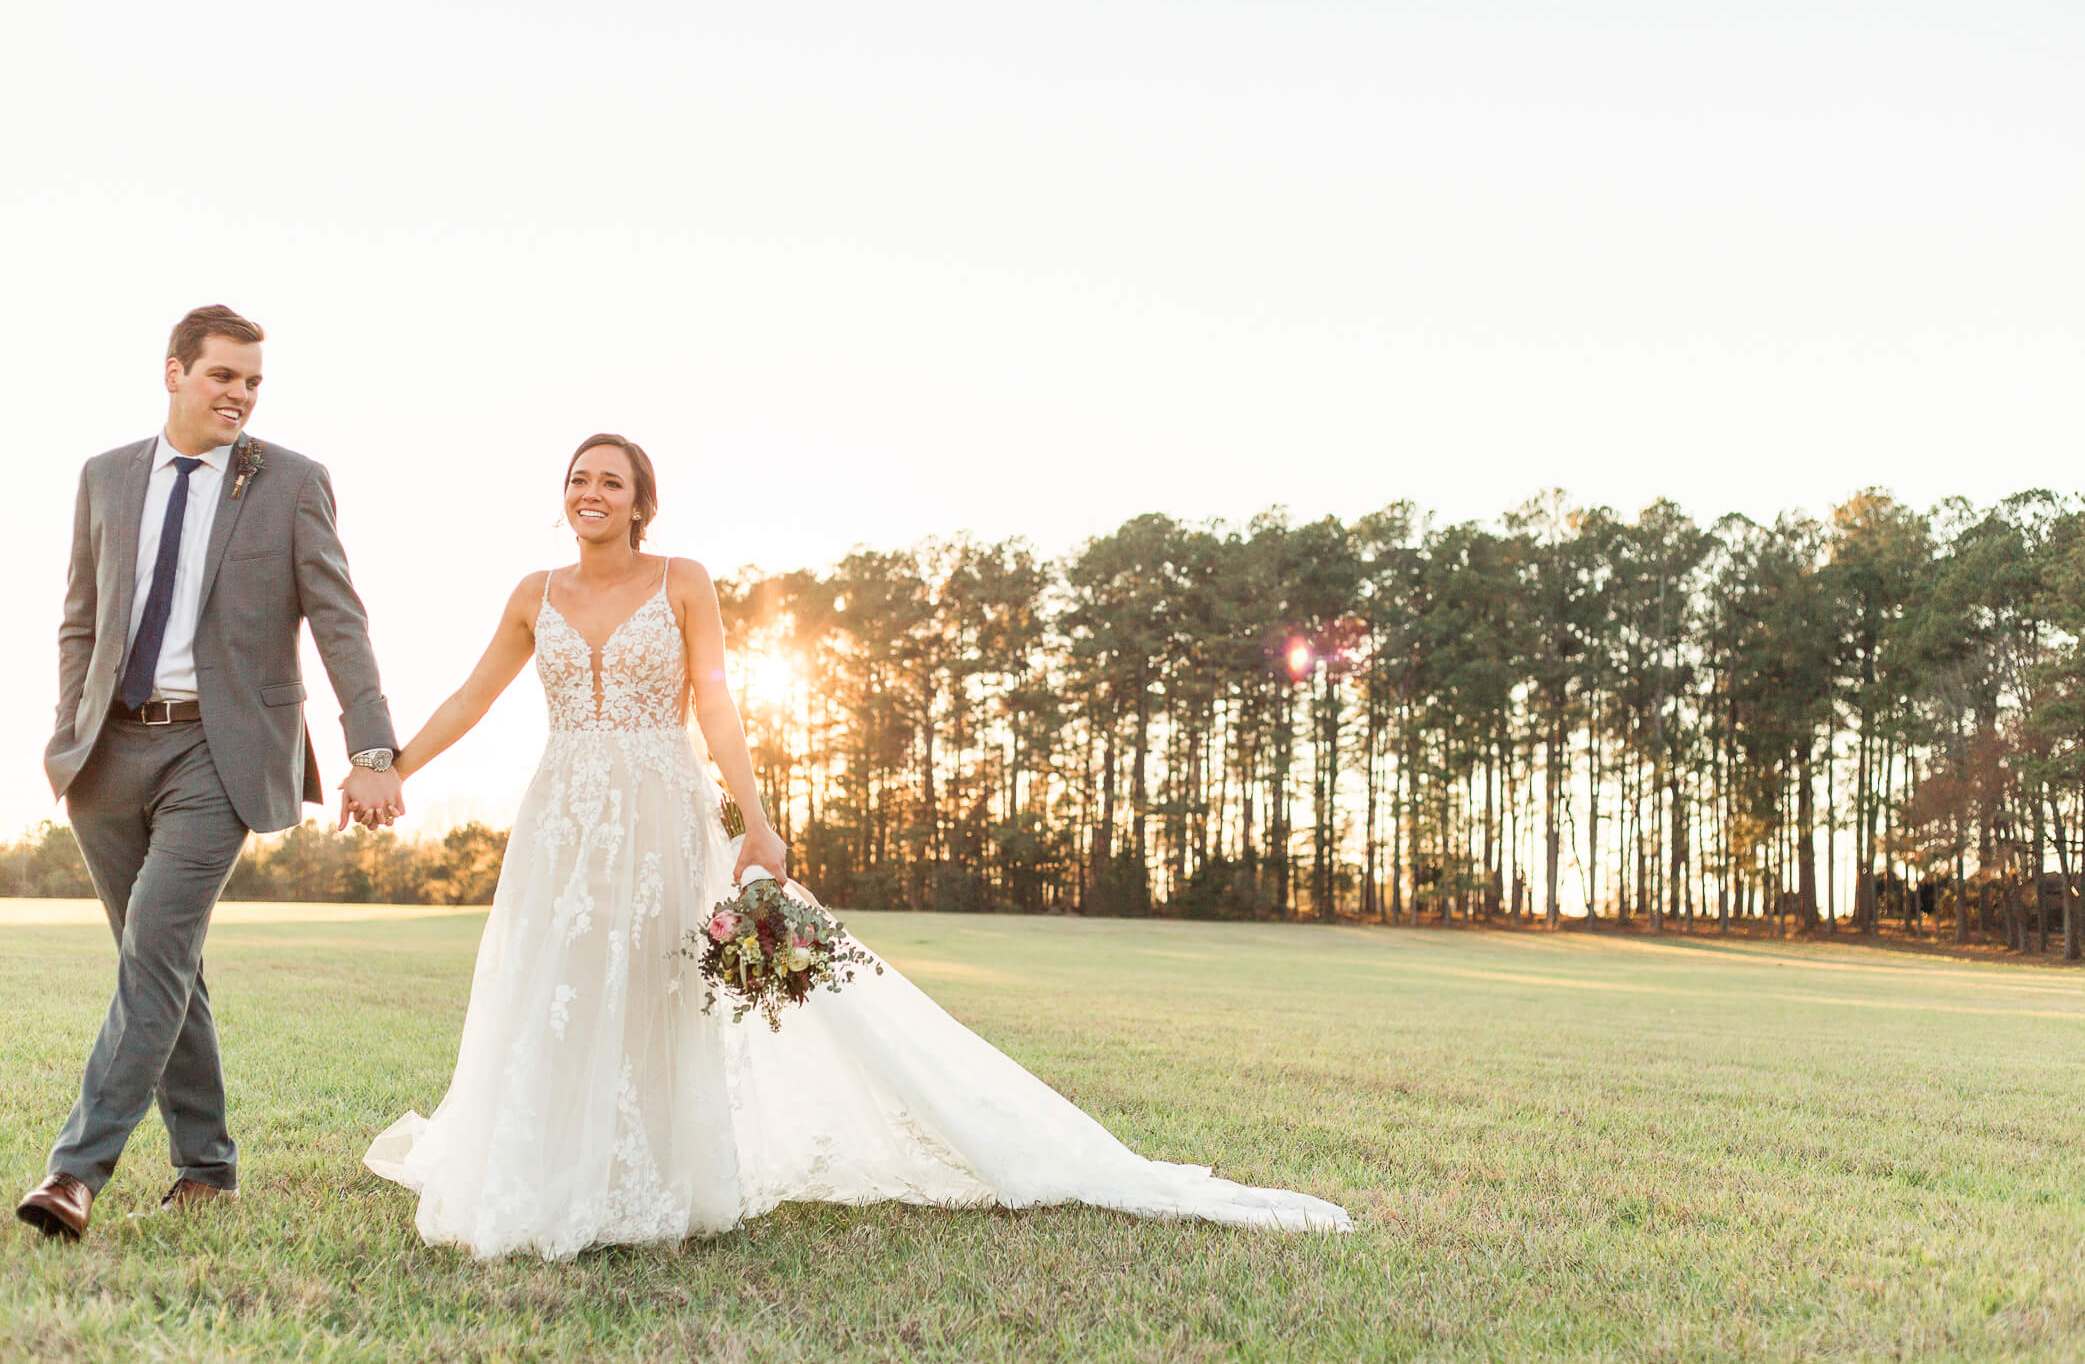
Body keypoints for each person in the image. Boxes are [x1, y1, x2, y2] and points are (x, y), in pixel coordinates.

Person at [362, 433, 1350, 1257]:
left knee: (667, 983)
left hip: (664, 808)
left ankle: (646, 1177)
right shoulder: (534, 591)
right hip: (564, 815)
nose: (589, 492)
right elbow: (473, 694)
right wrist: (394, 766)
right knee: (562, 979)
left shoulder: (684, 580)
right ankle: (547, 1164)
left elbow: (716, 702)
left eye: (608, 481)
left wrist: (756, 819)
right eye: (577, 478)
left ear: (639, 504)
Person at [18, 305, 404, 1241]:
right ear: (174, 373)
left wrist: (372, 749)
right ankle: (207, 1167)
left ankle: (75, 1174)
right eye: (223, 376)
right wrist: (71, 728)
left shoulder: (292, 482)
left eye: (252, 382)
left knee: (156, 945)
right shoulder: (105, 477)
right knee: (161, 963)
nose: (239, 394)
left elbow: (339, 619)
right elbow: (80, 614)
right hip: (107, 752)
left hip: (218, 751)